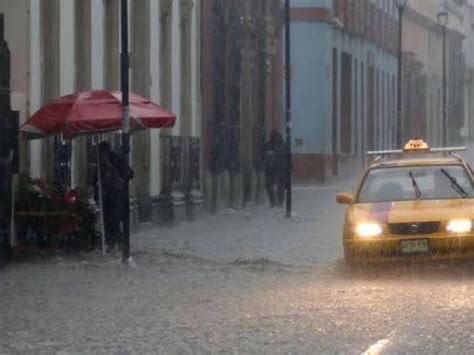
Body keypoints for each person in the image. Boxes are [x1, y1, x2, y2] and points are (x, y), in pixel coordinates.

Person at [263, 129, 289, 207]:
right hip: (272, 168)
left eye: (277, 136)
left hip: (279, 168)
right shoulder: (269, 144)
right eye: (274, 136)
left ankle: (278, 202)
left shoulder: (283, 145)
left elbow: (286, 156)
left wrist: (273, 154)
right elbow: (263, 154)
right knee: (271, 185)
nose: (275, 138)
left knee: (280, 186)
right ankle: (274, 202)